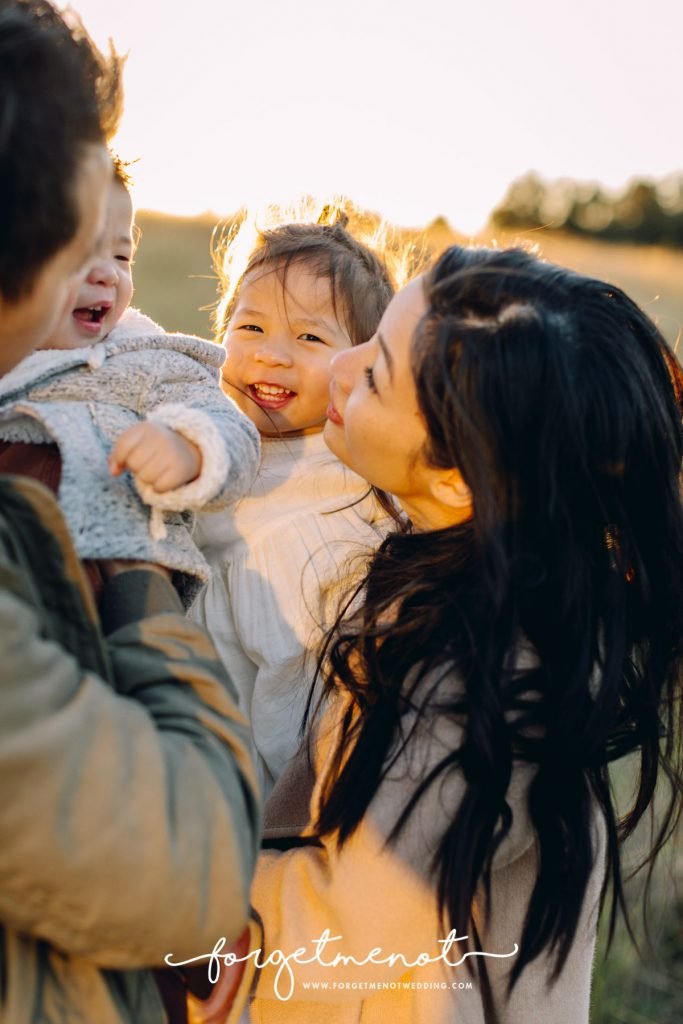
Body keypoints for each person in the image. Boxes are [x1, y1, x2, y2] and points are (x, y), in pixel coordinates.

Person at [240, 245, 683, 1022]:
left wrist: (167, 878)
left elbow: (339, 935)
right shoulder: (471, 586)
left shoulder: (475, 684)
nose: (339, 367)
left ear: (455, 477)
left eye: (375, 372)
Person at [0, 4, 260, 1023]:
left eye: (125, 251)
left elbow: (213, 405)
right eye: (84, 240)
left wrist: (185, 459)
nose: (103, 269)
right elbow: (187, 872)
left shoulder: (136, 355)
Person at [191, 204, 401, 796]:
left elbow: (299, 714)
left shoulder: (322, 517)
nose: (271, 354)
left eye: (309, 336)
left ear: (360, 362)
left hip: (242, 795)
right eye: (250, 327)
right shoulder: (214, 432)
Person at [0, 156, 260, 607]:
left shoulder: (146, 358)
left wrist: (189, 448)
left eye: (121, 255)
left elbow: (232, 429)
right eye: (78, 252)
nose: (107, 273)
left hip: (122, 592)